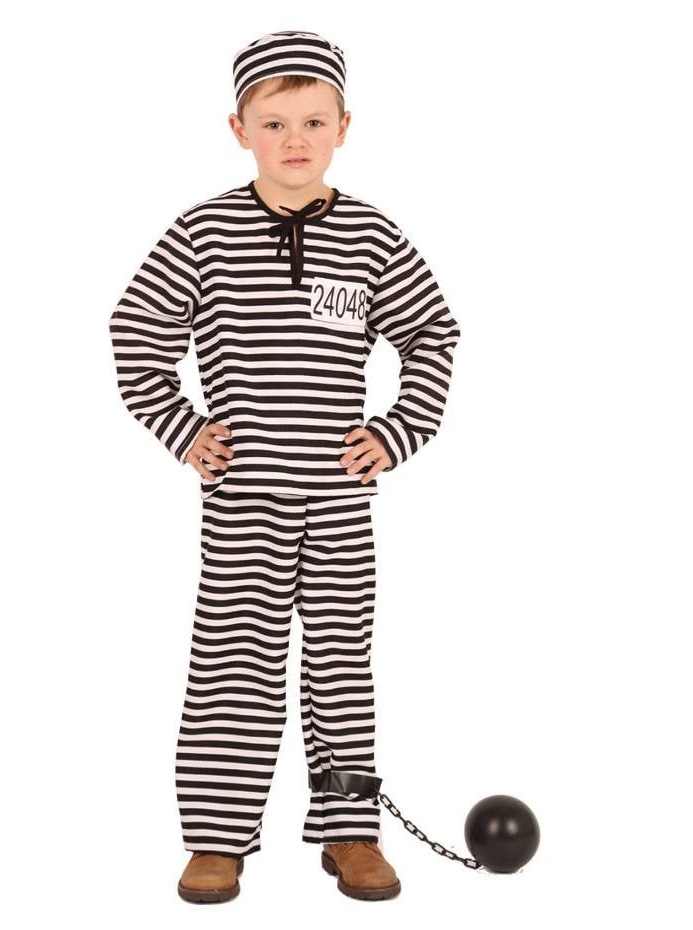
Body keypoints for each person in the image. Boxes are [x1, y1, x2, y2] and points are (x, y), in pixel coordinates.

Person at [108, 30, 461, 903]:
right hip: (243, 496)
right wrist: (183, 429)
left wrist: (399, 429)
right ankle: (216, 839)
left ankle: (349, 832)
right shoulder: (202, 232)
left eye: (312, 121)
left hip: (340, 498)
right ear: (239, 131)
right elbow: (135, 332)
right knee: (234, 662)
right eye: (273, 123)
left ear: (344, 126)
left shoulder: (372, 235)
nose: (293, 139)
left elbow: (431, 333)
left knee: (341, 663)